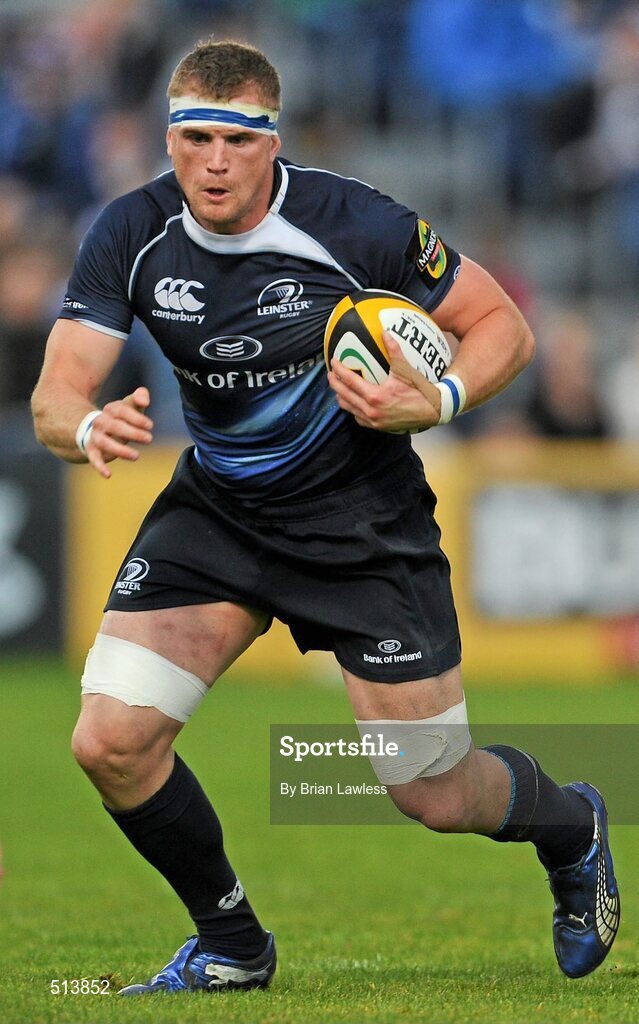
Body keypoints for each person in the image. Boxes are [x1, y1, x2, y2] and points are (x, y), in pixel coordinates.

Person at [31, 38, 620, 996]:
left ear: (273, 142)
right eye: (192, 138)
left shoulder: (355, 221)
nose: (211, 161)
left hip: (362, 527)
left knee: (431, 791)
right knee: (110, 741)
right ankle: (231, 944)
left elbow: (501, 326)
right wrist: (89, 423)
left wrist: (435, 405)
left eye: (234, 139)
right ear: (166, 138)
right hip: (220, 513)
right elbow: (56, 393)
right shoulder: (130, 232)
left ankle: (571, 823)